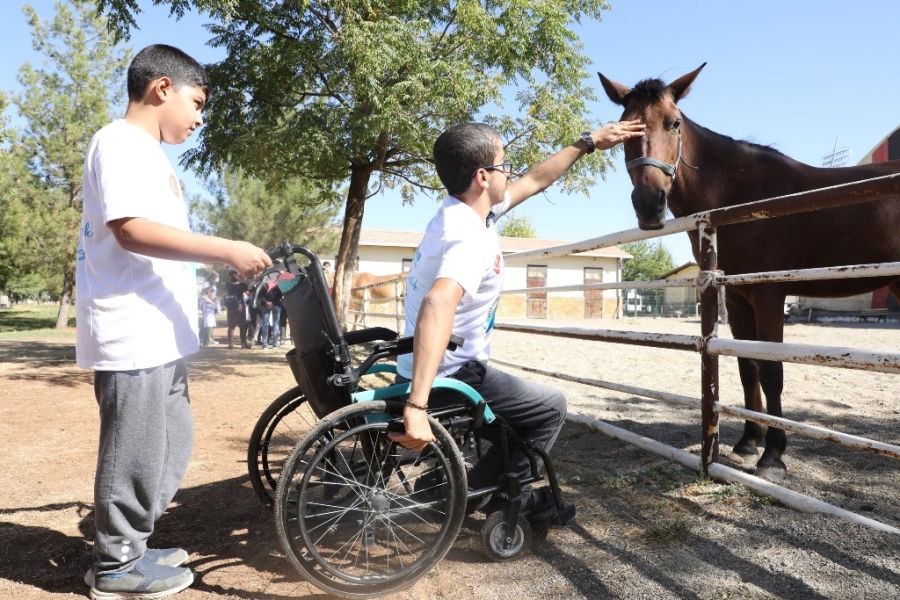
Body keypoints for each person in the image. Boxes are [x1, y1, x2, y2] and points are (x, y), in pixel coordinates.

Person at [75, 44, 271, 600]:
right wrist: (226, 249)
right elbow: (131, 229)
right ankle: (115, 567)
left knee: (170, 443)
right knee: (133, 449)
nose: (200, 118)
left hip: (159, 336)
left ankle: (129, 543)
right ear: (163, 88)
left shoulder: (147, 153)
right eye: (198, 102)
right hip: (130, 330)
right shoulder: (120, 143)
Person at [388, 121, 644, 516]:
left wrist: (588, 142)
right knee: (550, 408)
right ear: (482, 176)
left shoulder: (458, 214)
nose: (511, 172)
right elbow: (438, 303)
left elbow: (537, 179)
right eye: (505, 165)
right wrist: (417, 407)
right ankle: (491, 501)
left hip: (423, 369)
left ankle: (467, 487)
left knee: (516, 421)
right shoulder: (468, 237)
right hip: (452, 377)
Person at [224, 269, 249, 349]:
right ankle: (243, 343)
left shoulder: (227, 284)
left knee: (231, 326)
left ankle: (231, 344)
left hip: (231, 306)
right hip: (239, 305)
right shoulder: (242, 285)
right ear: (235, 275)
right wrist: (243, 279)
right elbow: (250, 290)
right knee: (242, 325)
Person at [257, 279, 284, 350]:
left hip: (265, 305)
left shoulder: (262, 284)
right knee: (276, 324)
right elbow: (280, 295)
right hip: (276, 305)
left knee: (265, 324)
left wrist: (266, 302)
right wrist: (273, 302)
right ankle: (275, 344)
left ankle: (265, 344)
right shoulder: (277, 284)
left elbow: (260, 296)